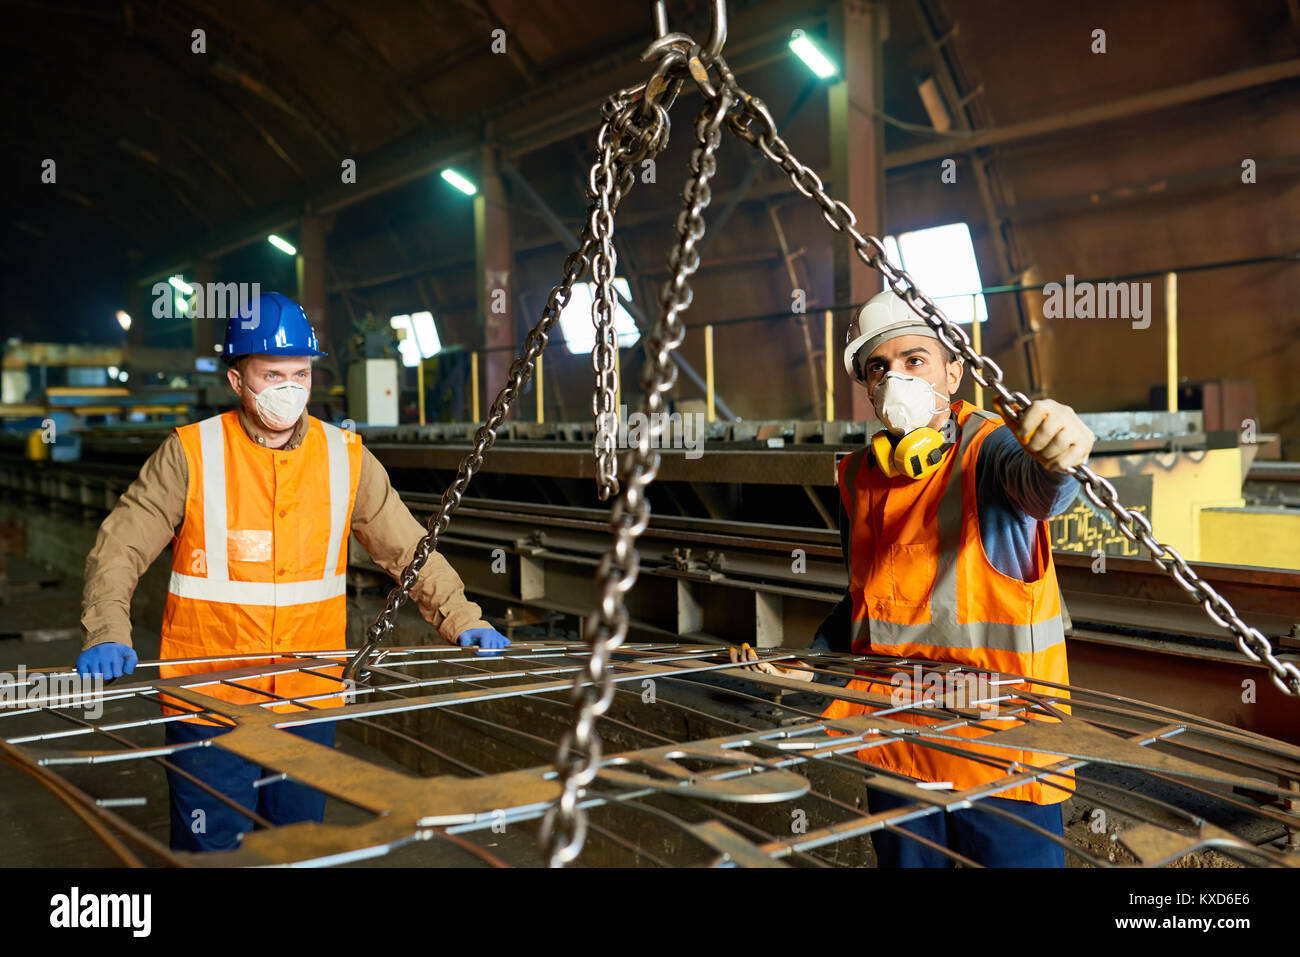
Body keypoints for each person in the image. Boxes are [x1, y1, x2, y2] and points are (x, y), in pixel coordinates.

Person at [75, 291, 508, 852]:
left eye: (300, 372)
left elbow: (407, 548)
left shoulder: (344, 456)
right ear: (237, 380)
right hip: (208, 698)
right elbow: (120, 546)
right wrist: (107, 627)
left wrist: (460, 614)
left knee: (301, 847)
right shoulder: (191, 453)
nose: (289, 387)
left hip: (306, 697)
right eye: (271, 372)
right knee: (213, 850)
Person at [812, 289, 1093, 867]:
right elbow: (866, 600)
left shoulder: (990, 453)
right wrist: (812, 656)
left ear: (955, 371)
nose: (896, 379)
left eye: (915, 360)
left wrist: (1059, 456)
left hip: (1001, 761)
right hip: (897, 752)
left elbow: (1041, 491)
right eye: (879, 368)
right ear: (867, 388)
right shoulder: (858, 477)